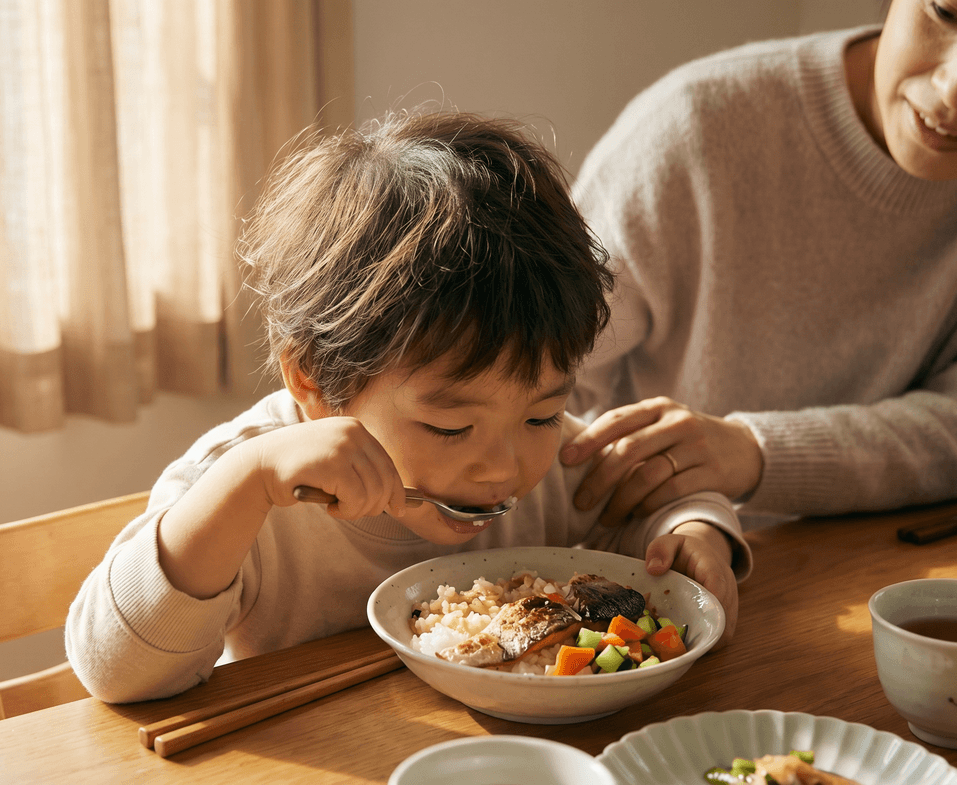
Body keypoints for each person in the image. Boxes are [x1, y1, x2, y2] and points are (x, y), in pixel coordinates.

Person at [64, 111, 752, 703]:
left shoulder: (555, 465)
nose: (503, 468)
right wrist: (245, 486)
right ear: (314, 380)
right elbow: (114, 670)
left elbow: (665, 501)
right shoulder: (247, 489)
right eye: (450, 425)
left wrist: (697, 531)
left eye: (541, 413)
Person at [562, 0, 957, 526]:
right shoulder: (693, 127)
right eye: (946, 12)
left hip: (906, 552)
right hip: (660, 555)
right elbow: (538, 392)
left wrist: (757, 452)